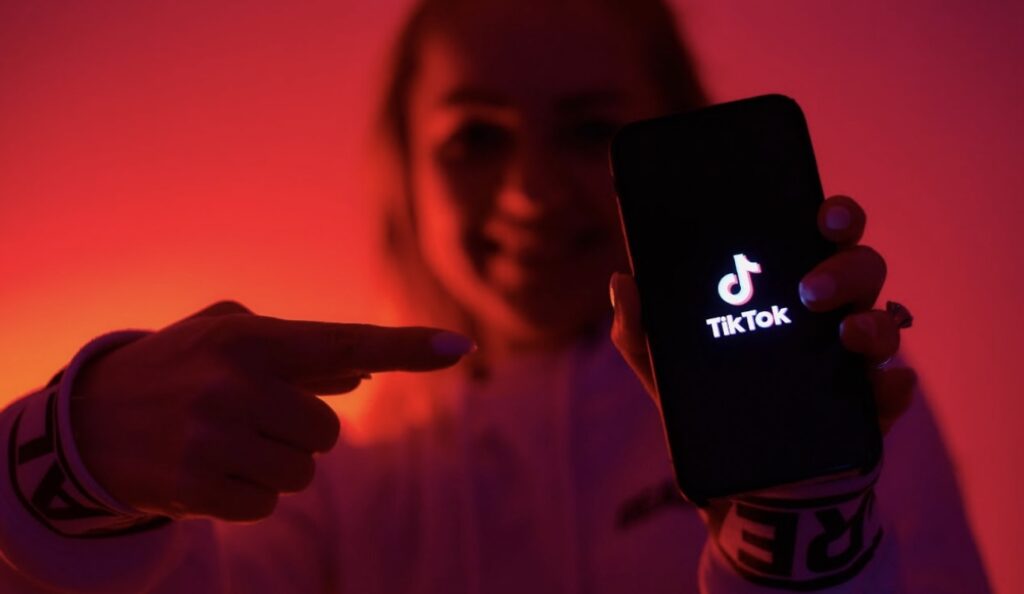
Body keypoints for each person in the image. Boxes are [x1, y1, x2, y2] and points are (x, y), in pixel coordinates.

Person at [0, 0, 992, 592]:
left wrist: (801, 538)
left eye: (587, 128)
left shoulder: (831, 389)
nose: (529, 193)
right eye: (475, 137)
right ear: (408, 171)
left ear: (674, 137)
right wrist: (69, 454)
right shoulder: (329, 473)